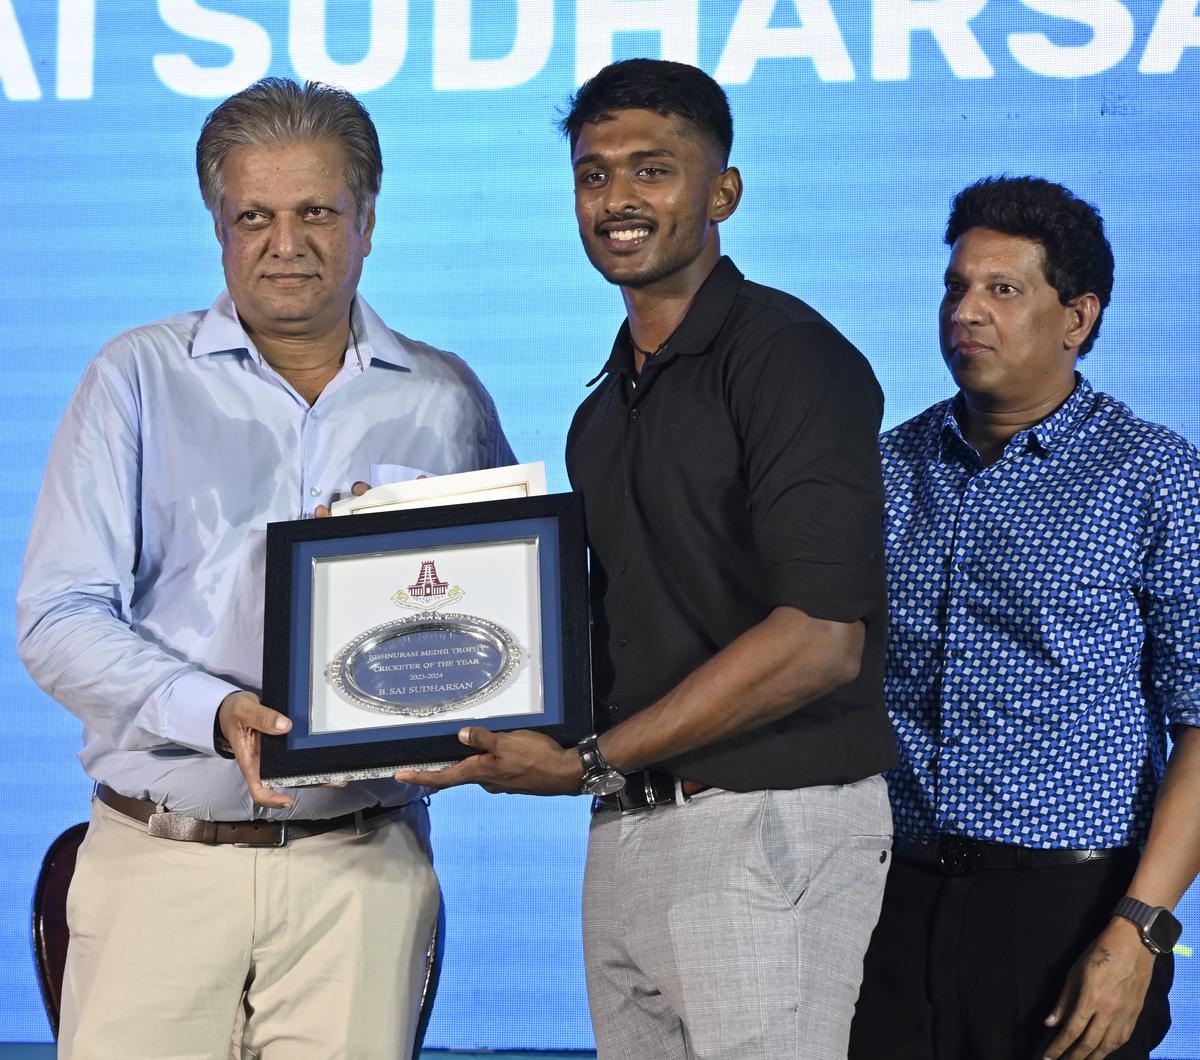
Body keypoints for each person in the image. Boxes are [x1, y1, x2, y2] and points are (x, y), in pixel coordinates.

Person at [397, 58, 896, 1059]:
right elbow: (603, 644)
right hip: (630, 825)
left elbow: (819, 643)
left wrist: (585, 760)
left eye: (652, 170)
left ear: (723, 192)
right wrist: (425, 716)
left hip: (765, 822)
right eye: (593, 175)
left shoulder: (792, 360)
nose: (617, 199)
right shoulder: (603, 407)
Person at [17, 77, 514, 1059]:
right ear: (219, 225)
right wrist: (210, 709)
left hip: (361, 870)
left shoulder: (448, 399)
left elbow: (504, 621)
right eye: (255, 216)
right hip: (162, 855)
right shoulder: (134, 379)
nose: (285, 243)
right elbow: (57, 615)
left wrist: (495, 720)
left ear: (368, 219)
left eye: (317, 212)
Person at [849, 175, 1200, 1060]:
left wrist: (1139, 931)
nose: (967, 312)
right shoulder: (883, 468)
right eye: (956, 286)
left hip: (1072, 914)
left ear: (1077, 317)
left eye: (1002, 290)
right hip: (886, 901)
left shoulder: (1156, 476)